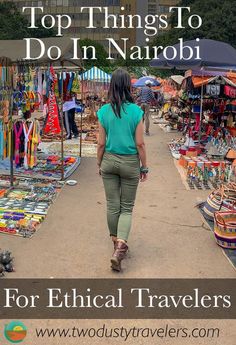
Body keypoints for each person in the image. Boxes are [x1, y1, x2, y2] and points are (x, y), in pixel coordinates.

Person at [97, 68, 148, 272]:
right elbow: (140, 144)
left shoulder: (103, 111)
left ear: (111, 86)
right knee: (126, 207)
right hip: (129, 163)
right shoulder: (136, 111)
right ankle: (120, 247)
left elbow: (101, 143)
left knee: (112, 205)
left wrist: (99, 163)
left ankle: (115, 244)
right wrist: (145, 167)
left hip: (109, 160)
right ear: (128, 86)